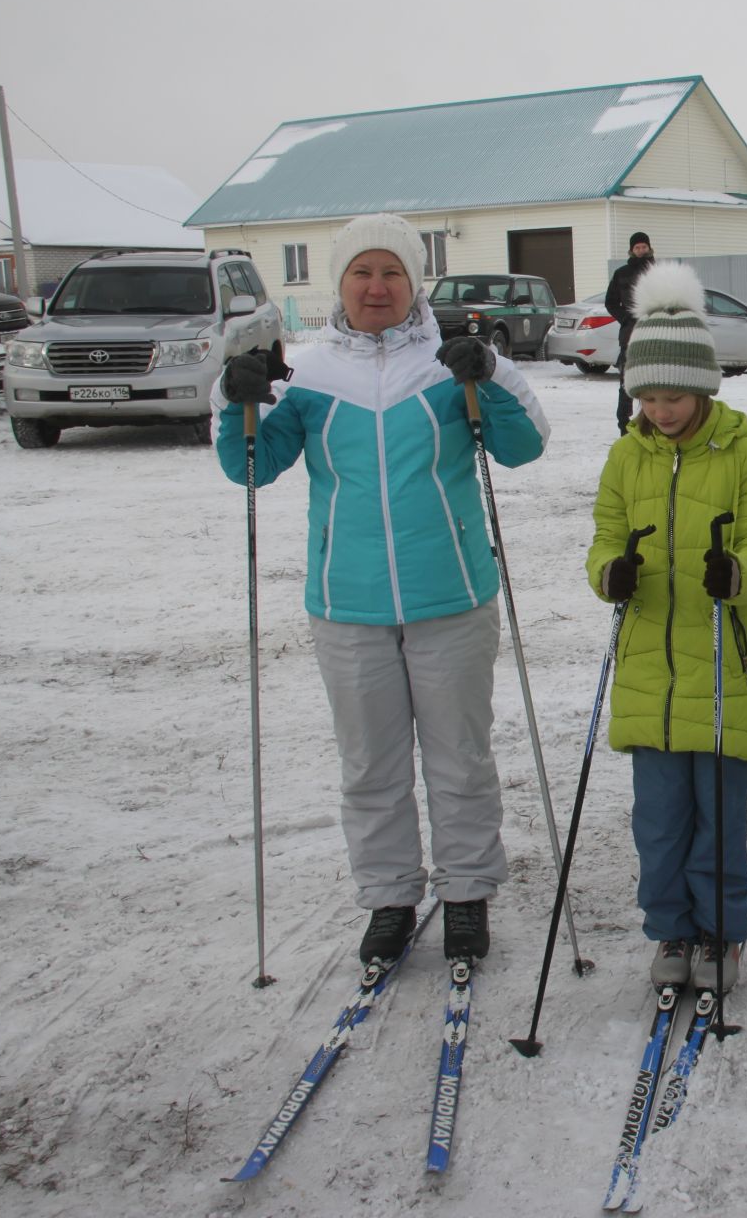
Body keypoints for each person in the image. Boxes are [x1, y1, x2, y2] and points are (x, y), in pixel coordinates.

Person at [212, 213, 549, 964]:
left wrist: (491, 371)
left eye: (391, 272)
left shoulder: (446, 363)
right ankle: (390, 897)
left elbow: (524, 445)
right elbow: (252, 466)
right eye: (362, 273)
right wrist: (232, 396)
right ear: (340, 283)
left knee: (459, 757)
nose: (376, 286)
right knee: (370, 766)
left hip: (452, 596)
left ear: (413, 282)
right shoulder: (308, 375)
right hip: (348, 603)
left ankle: (466, 893)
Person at [586, 262, 747, 990]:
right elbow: (604, 541)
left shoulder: (744, 454)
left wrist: (740, 574)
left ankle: (723, 933)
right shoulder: (623, 458)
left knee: (720, 821)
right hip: (650, 672)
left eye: (674, 396)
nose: (662, 411)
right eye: (648, 397)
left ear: (703, 388)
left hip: (725, 667)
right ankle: (670, 930)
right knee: (660, 822)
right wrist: (613, 574)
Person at [605, 232, 655, 436]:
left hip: (653, 333)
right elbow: (610, 302)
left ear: (649, 248)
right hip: (630, 334)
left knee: (652, 379)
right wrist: (625, 317)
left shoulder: (658, 272)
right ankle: (623, 425)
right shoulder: (621, 273)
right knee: (627, 380)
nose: (641, 250)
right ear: (631, 250)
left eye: (644, 247)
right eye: (637, 248)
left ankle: (651, 420)